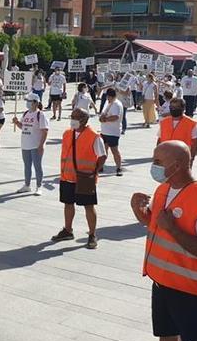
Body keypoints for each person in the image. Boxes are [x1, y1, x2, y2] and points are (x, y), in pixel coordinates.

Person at [131, 141, 197, 341]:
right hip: (162, 282)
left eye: (158, 162)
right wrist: (139, 212)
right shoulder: (163, 188)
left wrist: (172, 228)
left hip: (190, 290)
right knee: (165, 338)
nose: (153, 166)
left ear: (177, 165)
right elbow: (156, 225)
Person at [51, 108, 107, 248]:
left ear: (84, 120)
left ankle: (92, 234)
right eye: (72, 116)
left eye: (75, 117)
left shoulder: (94, 136)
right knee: (68, 203)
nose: (72, 119)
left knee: (88, 206)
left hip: (84, 178)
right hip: (67, 176)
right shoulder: (67, 133)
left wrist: (94, 171)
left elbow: (102, 156)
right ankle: (68, 230)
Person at [12, 93, 49, 194]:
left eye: (29, 101)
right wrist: (17, 123)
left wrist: (41, 145)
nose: (27, 103)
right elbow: (23, 127)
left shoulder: (40, 114)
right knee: (27, 166)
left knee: (37, 166)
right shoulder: (25, 113)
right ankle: (27, 185)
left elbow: (45, 131)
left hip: (36, 144)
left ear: (35, 103)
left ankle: (39, 186)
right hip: (25, 144)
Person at [99, 88, 125, 176]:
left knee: (115, 151)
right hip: (104, 131)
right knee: (103, 150)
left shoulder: (117, 104)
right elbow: (103, 112)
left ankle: (118, 168)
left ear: (112, 96)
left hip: (113, 132)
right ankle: (101, 166)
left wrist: (105, 119)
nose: (108, 98)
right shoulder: (108, 102)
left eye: (109, 97)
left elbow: (116, 117)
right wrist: (101, 117)